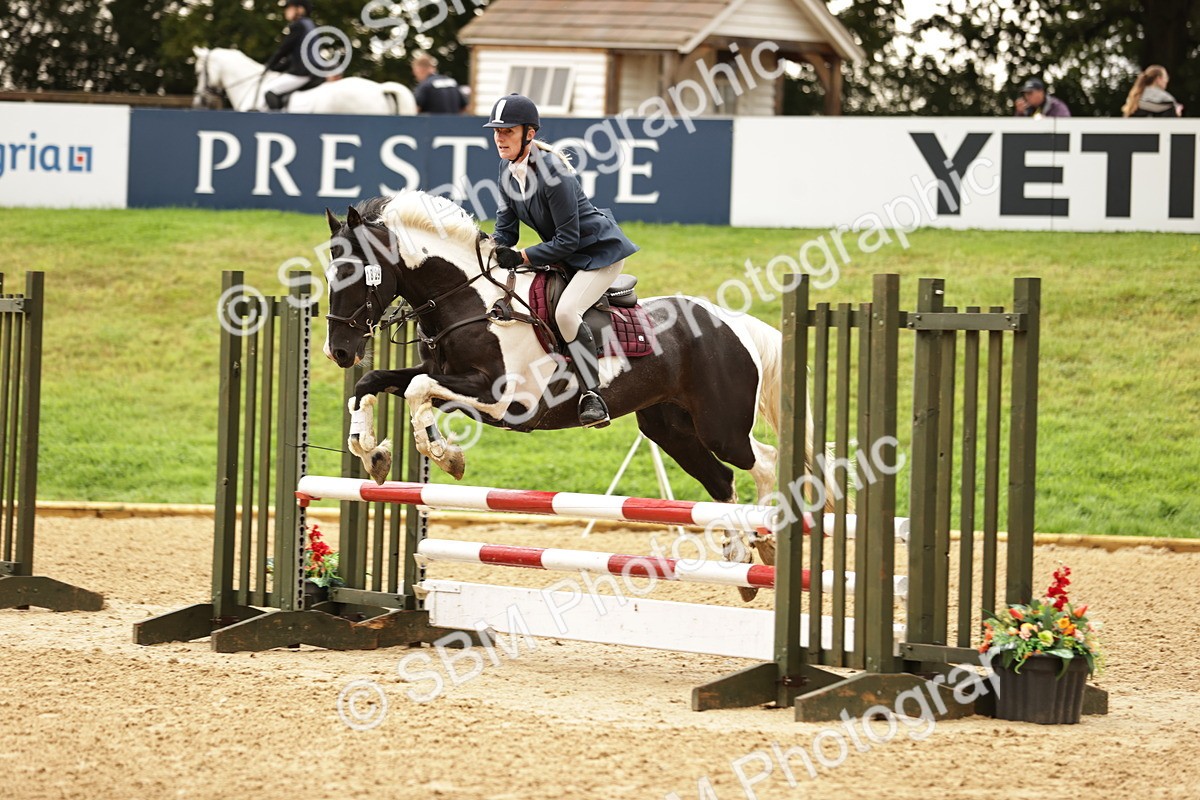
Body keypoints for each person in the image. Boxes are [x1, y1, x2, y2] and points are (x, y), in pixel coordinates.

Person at [483, 94, 639, 429]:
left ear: (528, 133)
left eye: (507, 131)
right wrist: (487, 250)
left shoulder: (554, 173)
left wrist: (523, 256)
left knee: (566, 312)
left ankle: (592, 395)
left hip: (598, 254)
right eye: (496, 130)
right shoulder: (507, 169)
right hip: (565, 256)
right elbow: (505, 230)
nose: (499, 137)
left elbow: (568, 239)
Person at [259, 0, 320, 111]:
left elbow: (284, 49)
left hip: (302, 72)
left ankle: (279, 122)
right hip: (312, 70)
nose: (286, 11)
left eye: (289, 7)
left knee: (270, 90)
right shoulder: (310, 24)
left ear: (300, 9)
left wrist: (269, 64)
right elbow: (294, 57)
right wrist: (276, 67)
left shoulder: (298, 25)